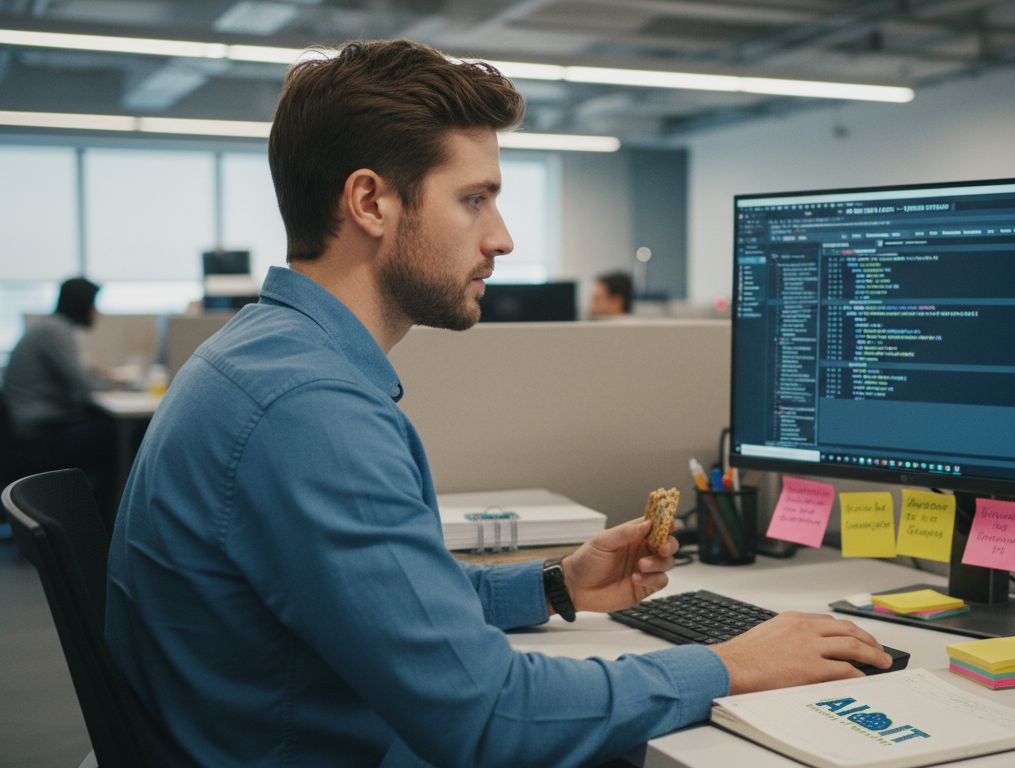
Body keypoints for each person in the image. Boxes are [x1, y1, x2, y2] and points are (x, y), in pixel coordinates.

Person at [105, 39, 890, 767]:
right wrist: (727, 663)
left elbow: (390, 609)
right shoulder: (309, 410)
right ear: (371, 203)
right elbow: (489, 718)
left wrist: (555, 585)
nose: (504, 237)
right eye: (475, 199)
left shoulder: (266, 359)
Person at [2, 277, 117, 514]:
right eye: (94, 304)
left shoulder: (51, 328)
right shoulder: (54, 331)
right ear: (82, 305)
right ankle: (101, 516)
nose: (97, 312)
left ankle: (92, 511)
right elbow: (82, 386)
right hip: (39, 429)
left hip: (33, 422)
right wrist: (120, 386)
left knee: (105, 426)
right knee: (116, 434)